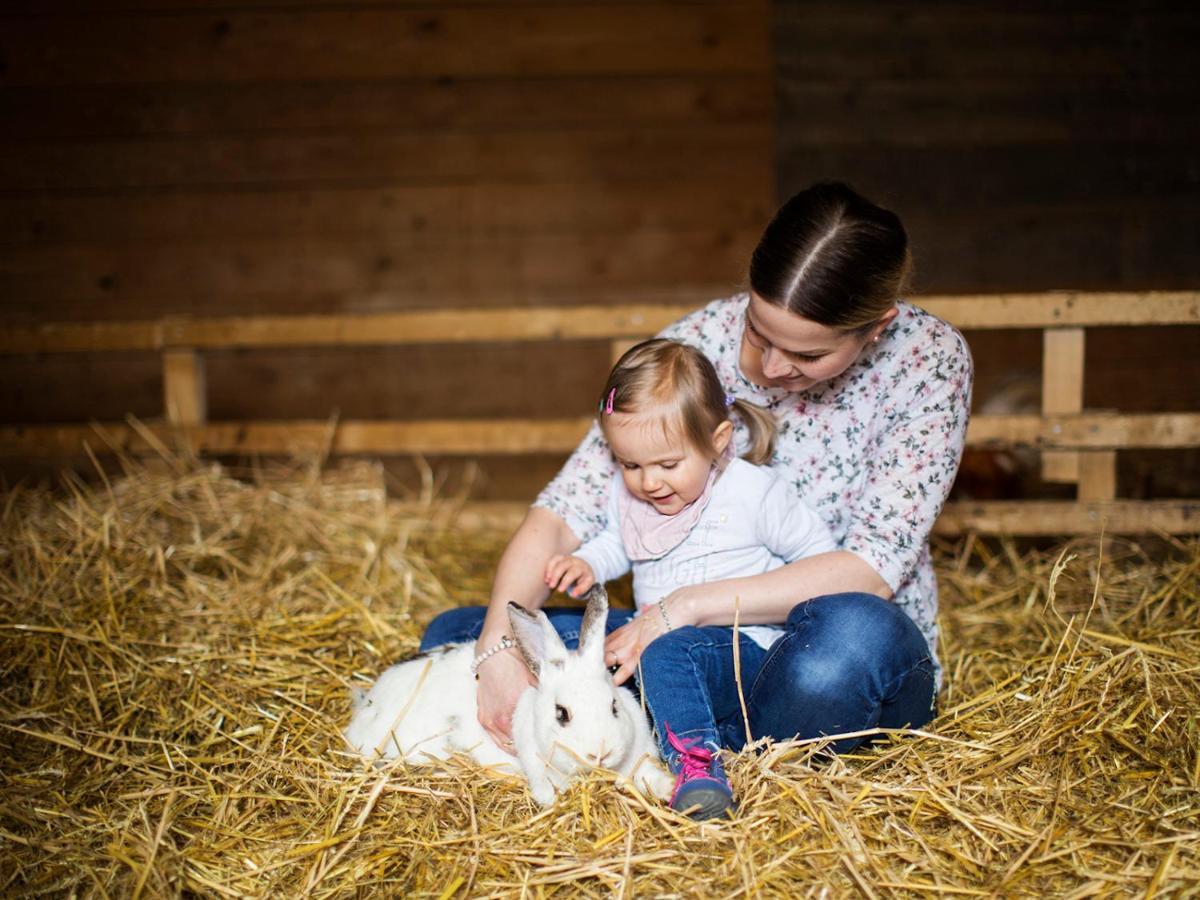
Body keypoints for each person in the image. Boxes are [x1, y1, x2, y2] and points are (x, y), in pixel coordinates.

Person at [420, 180, 974, 819]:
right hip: (685, 645)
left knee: (844, 650)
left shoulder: (928, 361)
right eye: (757, 332)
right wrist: (496, 651)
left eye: (807, 353)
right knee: (459, 634)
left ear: (876, 328)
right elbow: (563, 512)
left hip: (807, 643)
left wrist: (677, 610)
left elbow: (868, 570)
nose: (768, 366)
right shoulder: (698, 341)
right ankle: (692, 738)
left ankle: (677, 731)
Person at [541, 338, 837, 817]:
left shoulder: (751, 492)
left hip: (744, 650)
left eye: (667, 465)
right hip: (654, 634)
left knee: (665, 651)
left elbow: (820, 560)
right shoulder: (633, 494)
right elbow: (623, 542)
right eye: (630, 464)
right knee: (576, 637)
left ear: (717, 443)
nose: (648, 482)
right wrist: (589, 563)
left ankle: (697, 766)